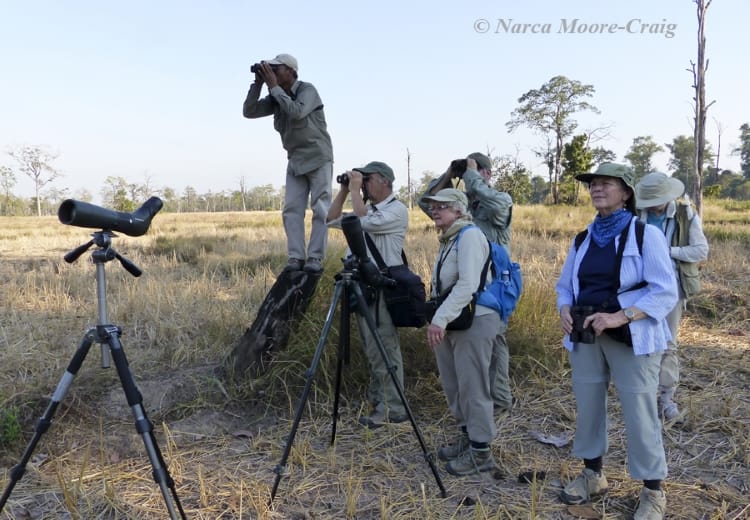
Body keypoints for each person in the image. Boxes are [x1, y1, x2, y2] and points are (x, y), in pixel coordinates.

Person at [555, 163, 678, 519]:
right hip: (585, 335)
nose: (596, 189)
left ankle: (653, 492)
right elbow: (565, 285)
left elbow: (664, 291)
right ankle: (593, 475)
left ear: (626, 193)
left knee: (640, 412)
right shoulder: (583, 238)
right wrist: (564, 307)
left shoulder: (645, 235)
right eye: (593, 184)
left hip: (630, 335)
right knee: (589, 407)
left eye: (606, 184)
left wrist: (620, 316)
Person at [418, 153, 514, 416]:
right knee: (473, 355)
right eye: (466, 174)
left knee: (494, 343)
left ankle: (500, 400)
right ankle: (480, 408)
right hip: (463, 294)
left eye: (475, 171)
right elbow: (426, 204)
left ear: (487, 173)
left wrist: (471, 173)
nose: (467, 177)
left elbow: (489, 200)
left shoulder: (500, 201)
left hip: (491, 291)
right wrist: (449, 174)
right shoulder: (460, 207)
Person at [423, 187, 501, 476]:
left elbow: (468, 285)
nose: (435, 210)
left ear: (458, 210)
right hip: (455, 319)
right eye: (433, 206)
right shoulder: (449, 238)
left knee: (473, 385)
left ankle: (481, 452)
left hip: (475, 319)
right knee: (454, 384)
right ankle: (468, 438)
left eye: (442, 206)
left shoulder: (469, 236)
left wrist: (439, 319)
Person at [326, 161, 409, 427]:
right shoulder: (369, 210)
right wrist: (343, 190)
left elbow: (360, 223)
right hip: (363, 286)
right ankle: (380, 399)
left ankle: (394, 407)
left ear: (385, 181)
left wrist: (354, 189)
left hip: (381, 286)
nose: (363, 184)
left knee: (384, 346)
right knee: (372, 347)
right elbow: (330, 220)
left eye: (367, 179)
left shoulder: (396, 210)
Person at [243, 53, 333, 274]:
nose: (272, 73)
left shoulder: (307, 90)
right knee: (291, 210)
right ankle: (296, 257)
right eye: (270, 69)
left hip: (318, 157)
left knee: (321, 209)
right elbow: (249, 111)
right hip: (295, 159)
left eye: (276, 68)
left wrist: (273, 88)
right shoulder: (276, 96)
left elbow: (297, 112)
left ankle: (314, 258)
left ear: (291, 71)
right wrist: (258, 85)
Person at [635, 172, 709, 422]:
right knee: (639, 342)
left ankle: (667, 399)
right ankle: (641, 395)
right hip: (638, 286)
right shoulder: (636, 214)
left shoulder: (685, 214)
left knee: (667, 343)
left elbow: (700, 250)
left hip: (672, 286)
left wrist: (666, 252)